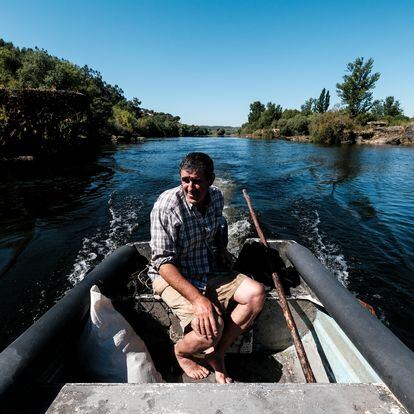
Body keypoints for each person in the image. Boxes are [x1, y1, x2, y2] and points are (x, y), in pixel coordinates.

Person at [148, 152, 265, 383]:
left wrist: (221, 249)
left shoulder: (217, 197)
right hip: (173, 275)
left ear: (210, 180)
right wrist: (198, 300)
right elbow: (162, 263)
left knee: (256, 294)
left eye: (197, 180)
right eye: (185, 180)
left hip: (207, 268)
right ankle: (181, 352)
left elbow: (219, 225)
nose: (190, 187)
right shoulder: (166, 207)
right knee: (211, 329)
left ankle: (217, 353)